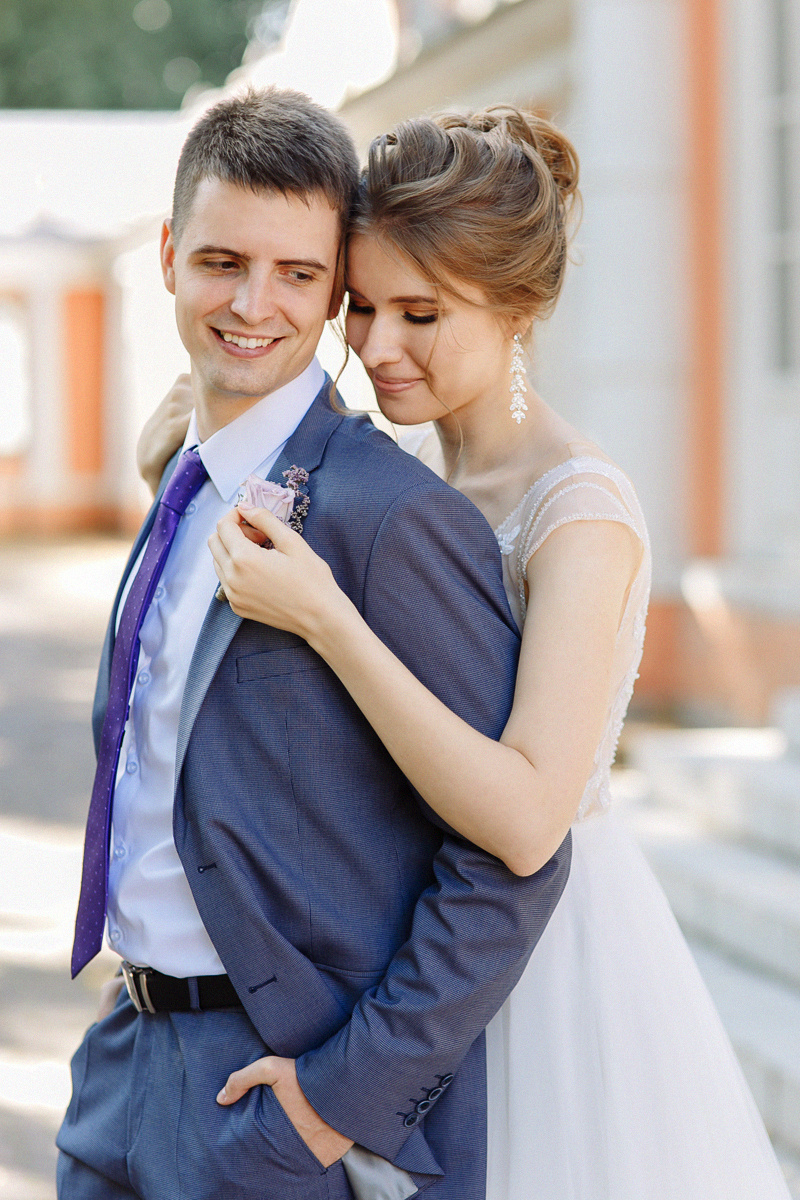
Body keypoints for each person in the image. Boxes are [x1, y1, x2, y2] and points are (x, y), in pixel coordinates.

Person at [142, 106, 793, 1198]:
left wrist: (329, 621)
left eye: (420, 313)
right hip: (398, 944)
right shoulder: (396, 481)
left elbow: (526, 817)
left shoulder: (574, 511)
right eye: (360, 306)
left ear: (519, 311)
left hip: (531, 962)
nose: (376, 346)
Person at [57, 89, 572, 1200]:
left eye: (297, 274)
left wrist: (338, 1103)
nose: (253, 304)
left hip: (275, 1107)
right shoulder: (177, 478)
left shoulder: (389, 519)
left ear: (337, 285)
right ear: (165, 256)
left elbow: (514, 861)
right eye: (220, 262)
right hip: (117, 1073)